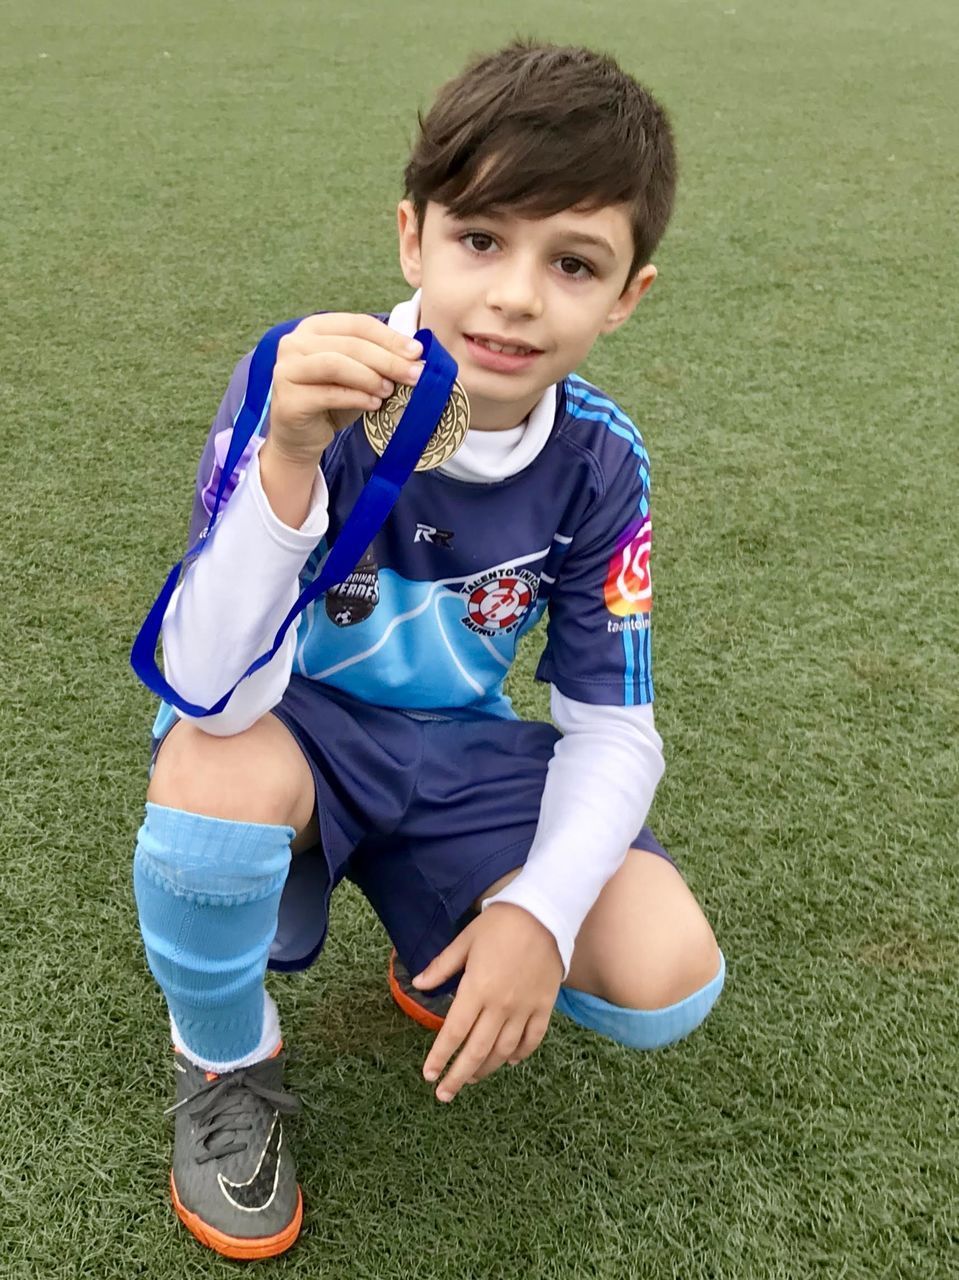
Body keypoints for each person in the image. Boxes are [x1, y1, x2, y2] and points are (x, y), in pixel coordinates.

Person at [133, 39, 725, 1260]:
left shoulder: (600, 459)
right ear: (412, 237)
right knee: (208, 786)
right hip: (280, 729)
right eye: (479, 241)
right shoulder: (306, 380)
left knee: (663, 965)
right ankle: (224, 1062)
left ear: (626, 296)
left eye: (571, 263)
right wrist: (288, 460)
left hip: (449, 745)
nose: (514, 295)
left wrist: (541, 913)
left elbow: (610, 723)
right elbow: (204, 679)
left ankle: (446, 935)